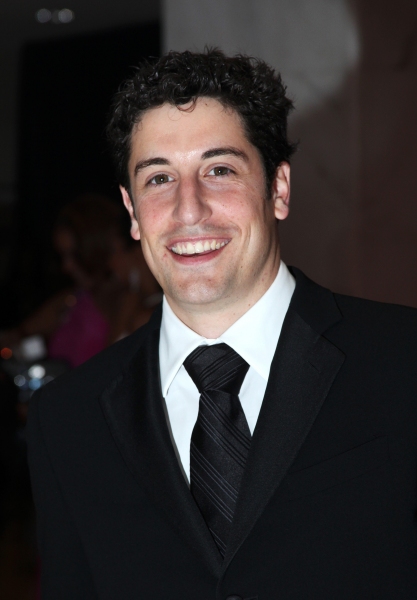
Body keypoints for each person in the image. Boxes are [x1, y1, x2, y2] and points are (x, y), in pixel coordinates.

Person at [27, 49, 417, 599]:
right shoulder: (67, 421)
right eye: (159, 178)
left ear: (278, 188)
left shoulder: (403, 362)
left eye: (219, 170)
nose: (189, 209)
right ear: (133, 212)